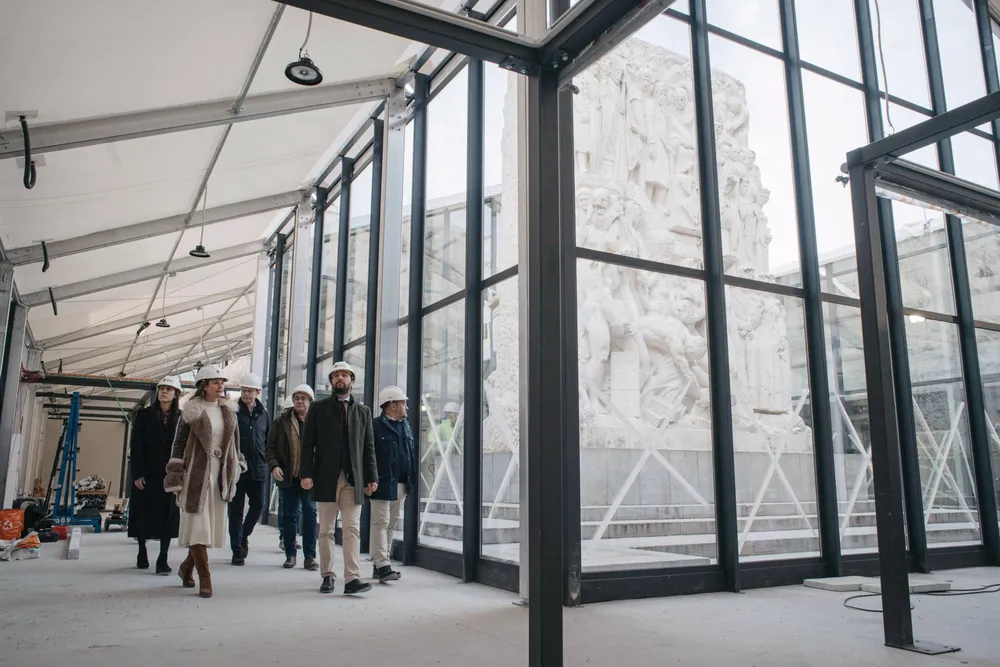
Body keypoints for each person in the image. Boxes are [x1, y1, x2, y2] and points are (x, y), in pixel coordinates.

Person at [164, 366, 245, 599]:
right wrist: (175, 477)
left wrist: (237, 465)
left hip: (220, 475)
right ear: (204, 385)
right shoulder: (190, 412)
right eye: (215, 382)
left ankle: (186, 567)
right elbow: (178, 446)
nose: (221, 386)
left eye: (222, 382)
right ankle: (205, 579)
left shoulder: (229, 411)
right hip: (197, 476)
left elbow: (236, 445)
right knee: (199, 527)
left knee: (207, 530)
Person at [300, 361, 378, 595]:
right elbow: (307, 445)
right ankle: (327, 575)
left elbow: (369, 448)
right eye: (336, 376)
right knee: (326, 530)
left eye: (344, 375)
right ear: (331, 381)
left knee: (352, 529)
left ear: (352, 381)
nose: (340, 379)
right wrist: (306, 473)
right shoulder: (318, 408)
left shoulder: (362, 411)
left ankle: (352, 578)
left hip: (352, 480)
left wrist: (372, 476)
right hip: (325, 477)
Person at [128, 376, 182, 574]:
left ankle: (163, 557)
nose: (164, 392)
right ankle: (142, 550)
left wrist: (180, 476)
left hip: (170, 474)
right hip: (148, 472)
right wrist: (137, 473)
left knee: (168, 515)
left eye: (169, 389)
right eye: (161, 388)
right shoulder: (144, 415)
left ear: (176, 393)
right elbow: (136, 446)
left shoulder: (182, 418)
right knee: (143, 512)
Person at [267, 384, 318, 570]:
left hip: (309, 479)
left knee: (310, 514)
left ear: (310, 402)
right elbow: (270, 447)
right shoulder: (281, 422)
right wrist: (274, 466)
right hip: (287, 477)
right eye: (297, 398)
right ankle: (290, 554)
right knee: (289, 515)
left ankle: (310, 556)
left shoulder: (317, 422)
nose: (299, 401)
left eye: (303, 398)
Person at [369, 385, 416, 583]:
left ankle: (381, 564)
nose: (407, 407)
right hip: (381, 483)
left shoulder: (406, 426)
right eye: (404, 403)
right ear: (393, 405)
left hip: (402, 483)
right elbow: (368, 455)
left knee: (391, 523)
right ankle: (382, 565)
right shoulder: (374, 425)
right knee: (380, 523)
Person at [230, 373, 269, 566]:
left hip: (258, 469)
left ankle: (244, 534)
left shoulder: (264, 414)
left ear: (257, 392)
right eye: (244, 390)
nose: (246, 394)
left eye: (250, 391)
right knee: (235, 510)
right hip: (237, 469)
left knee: (258, 505)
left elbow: (268, 440)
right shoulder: (232, 411)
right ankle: (236, 549)